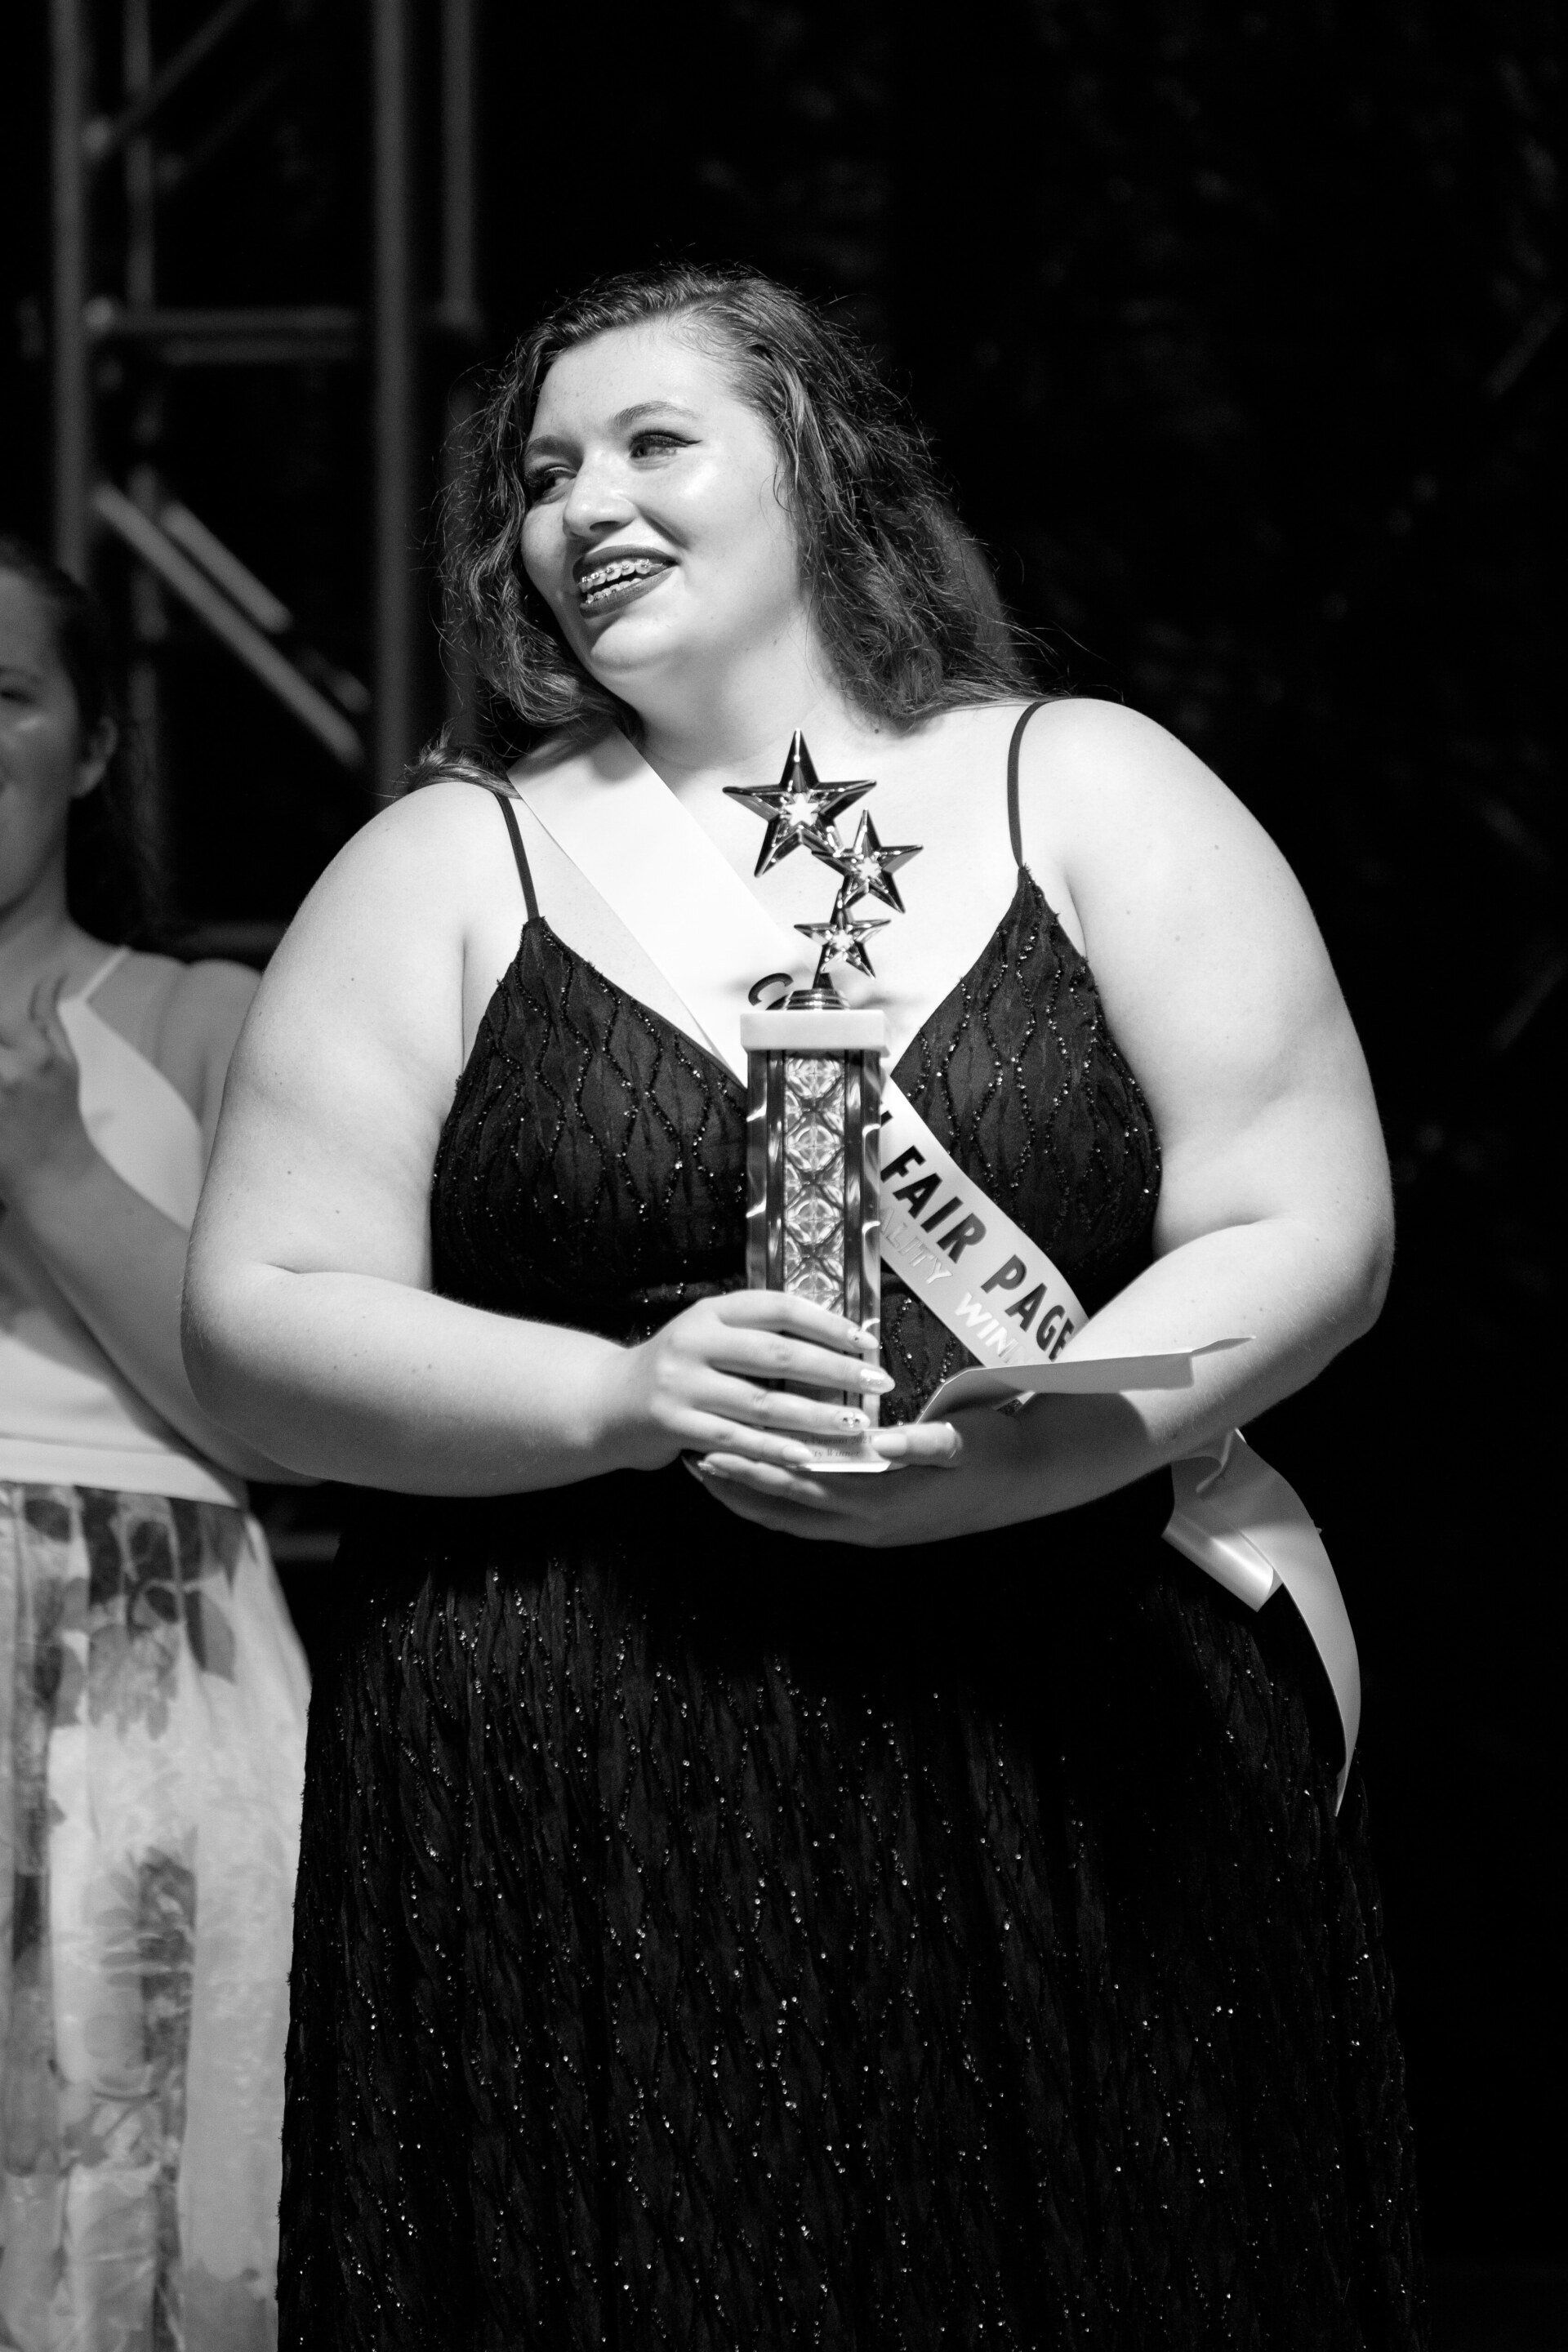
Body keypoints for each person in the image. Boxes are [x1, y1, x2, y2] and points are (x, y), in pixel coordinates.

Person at [184, 265, 1425, 2347]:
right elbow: (261, 1323)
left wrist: (1040, 1461)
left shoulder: (1091, 783)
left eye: (656, 442)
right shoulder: (442, 863)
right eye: (544, 476)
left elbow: (1308, 1214)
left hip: (1077, 1738)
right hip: (586, 1797)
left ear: (824, 470)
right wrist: (619, 1393)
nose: (583, 505)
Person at [0, 538, 308, 2349]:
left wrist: (43, 1160)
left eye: (4, 695)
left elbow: (277, 1416)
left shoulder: (209, 1022)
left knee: (139, 2255)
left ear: (89, 745)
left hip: (152, 1669)